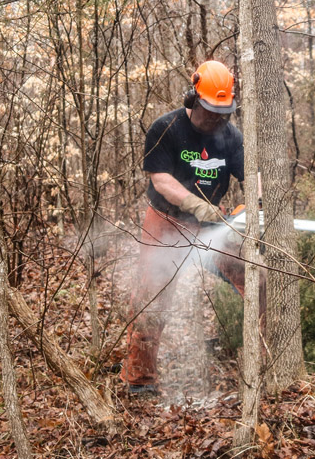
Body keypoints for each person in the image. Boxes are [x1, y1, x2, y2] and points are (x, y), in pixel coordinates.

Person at [121, 60, 258, 395]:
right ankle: (139, 378)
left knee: (257, 279)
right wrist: (195, 204)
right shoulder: (165, 129)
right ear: (193, 98)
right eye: (211, 109)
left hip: (213, 224)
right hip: (166, 221)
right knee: (151, 296)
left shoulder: (232, 137)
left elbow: (252, 176)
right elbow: (161, 179)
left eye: (223, 111)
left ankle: (263, 365)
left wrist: (252, 207)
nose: (216, 117)